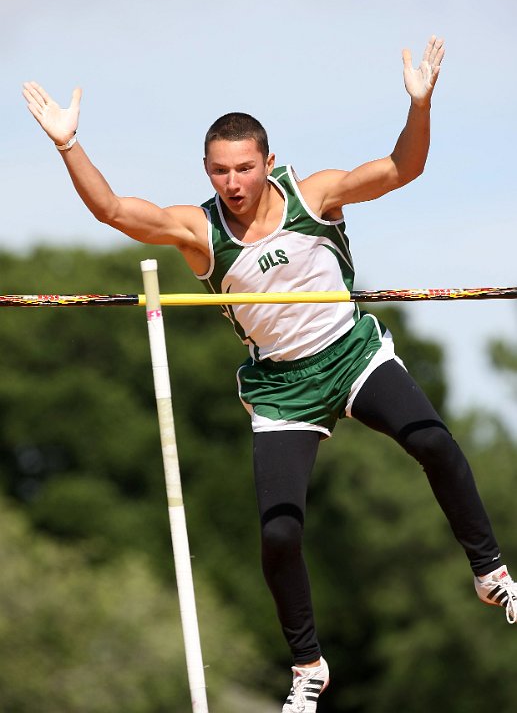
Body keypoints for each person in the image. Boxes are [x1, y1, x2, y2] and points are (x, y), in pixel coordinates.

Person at [23, 35, 517, 713]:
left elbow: (404, 167)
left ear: (268, 163)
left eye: (245, 168)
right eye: (220, 170)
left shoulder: (313, 197)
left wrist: (420, 103)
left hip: (350, 353)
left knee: (431, 439)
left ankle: (489, 572)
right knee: (280, 532)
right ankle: (308, 666)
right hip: (282, 386)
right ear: (206, 169)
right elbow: (113, 210)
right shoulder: (198, 232)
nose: (233, 183)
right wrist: (67, 146)